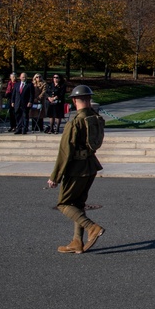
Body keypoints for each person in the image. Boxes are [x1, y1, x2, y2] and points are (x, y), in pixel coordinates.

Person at [47, 85, 106, 254]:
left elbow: (64, 153)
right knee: (78, 204)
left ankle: (92, 227)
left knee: (64, 203)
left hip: (77, 168)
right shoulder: (95, 118)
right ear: (89, 99)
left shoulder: (75, 122)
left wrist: (55, 177)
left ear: (73, 100)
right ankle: (76, 242)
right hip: (90, 165)